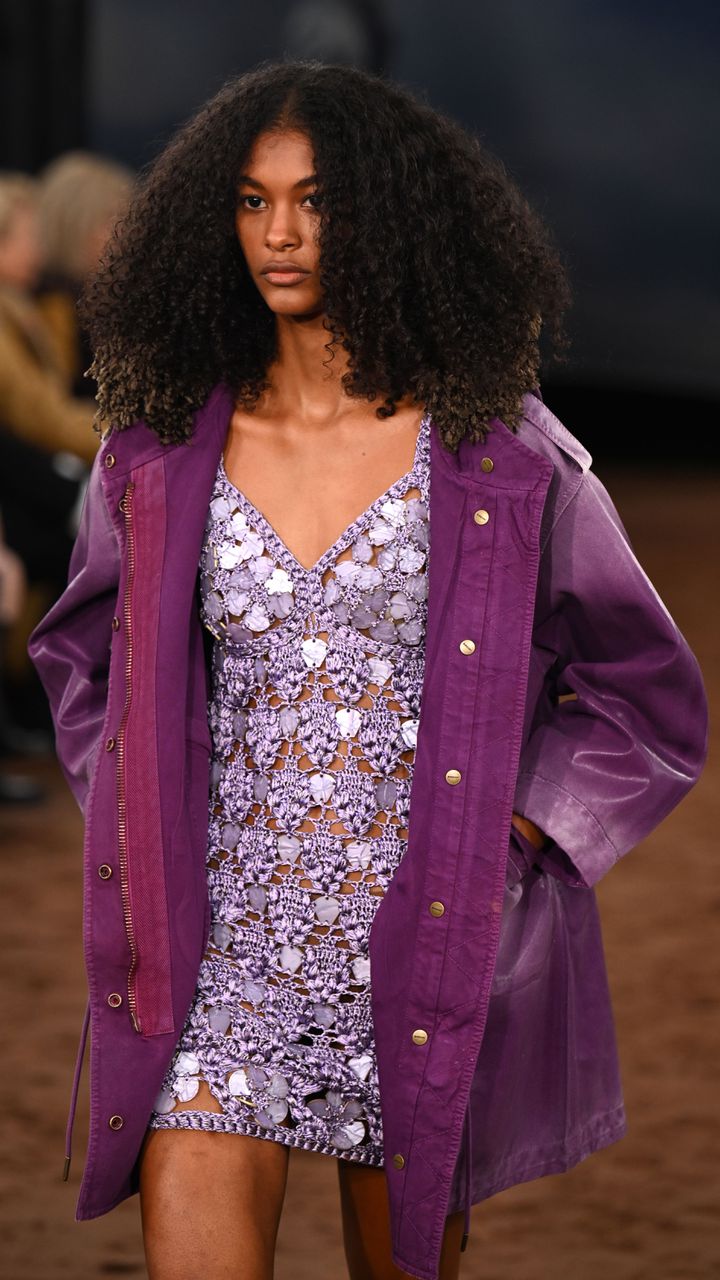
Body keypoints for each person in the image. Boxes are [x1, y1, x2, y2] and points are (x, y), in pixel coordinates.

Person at [27, 61, 708, 1280]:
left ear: (386, 219)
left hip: (417, 948)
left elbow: (644, 692)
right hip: (215, 948)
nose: (280, 234)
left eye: (317, 200)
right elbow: (82, 649)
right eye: (252, 200)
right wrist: (130, 802)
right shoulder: (161, 451)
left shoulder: (498, 453)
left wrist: (515, 829)